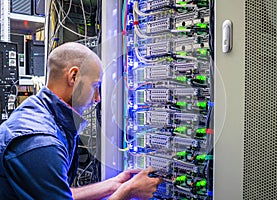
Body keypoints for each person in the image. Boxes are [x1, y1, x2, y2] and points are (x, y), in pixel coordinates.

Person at [0, 42, 162, 199]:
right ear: (73, 76)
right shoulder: (41, 142)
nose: (98, 98)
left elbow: (56, 192)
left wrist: (115, 184)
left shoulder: (38, 111)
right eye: (95, 86)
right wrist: (128, 192)